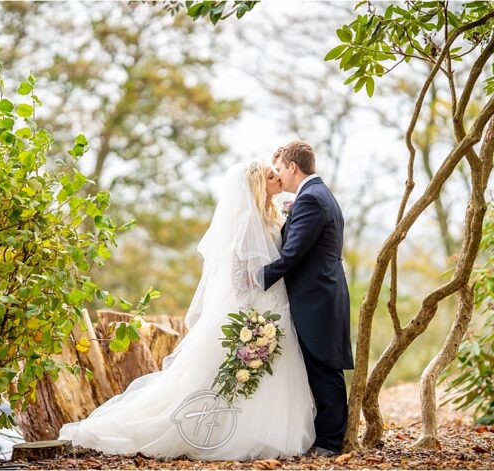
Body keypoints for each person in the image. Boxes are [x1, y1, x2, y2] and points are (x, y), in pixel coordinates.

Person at [58, 160, 316, 460]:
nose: (277, 180)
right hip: (257, 309)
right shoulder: (247, 221)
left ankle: (268, 432)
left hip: (275, 305)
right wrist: (252, 314)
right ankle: (230, 433)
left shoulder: (270, 215)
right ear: (258, 185)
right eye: (272, 177)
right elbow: (237, 275)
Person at [261, 140, 354, 457]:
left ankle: (330, 442)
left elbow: (291, 256)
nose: (278, 177)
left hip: (317, 297)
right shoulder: (318, 195)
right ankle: (326, 437)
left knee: (323, 367)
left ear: (292, 167)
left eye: (279, 170)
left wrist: (255, 281)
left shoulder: (311, 199)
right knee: (320, 366)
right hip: (322, 293)